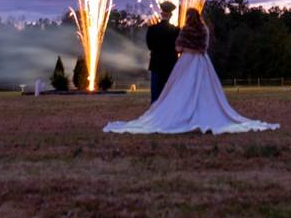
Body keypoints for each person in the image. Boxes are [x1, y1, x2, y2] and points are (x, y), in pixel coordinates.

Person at [104, 8, 279, 134]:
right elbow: (202, 47)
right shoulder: (193, 30)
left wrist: (184, 49)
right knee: (201, 89)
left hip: (173, 62)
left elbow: (176, 47)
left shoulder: (163, 29)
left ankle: (161, 111)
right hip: (196, 62)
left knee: (171, 91)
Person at [146, 1, 179, 103]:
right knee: (172, 94)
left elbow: (150, 46)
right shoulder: (176, 30)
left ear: (161, 14)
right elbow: (178, 47)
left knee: (156, 95)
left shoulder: (152, 29)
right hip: (171, 64)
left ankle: (154, 116)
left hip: (156, 64)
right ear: (171, 15)